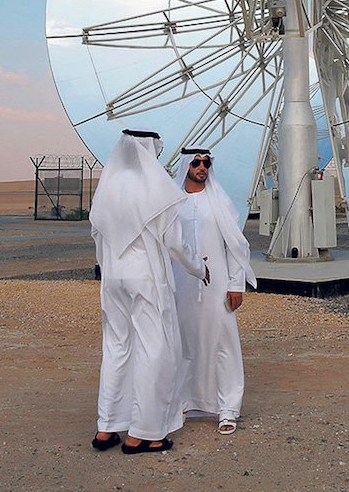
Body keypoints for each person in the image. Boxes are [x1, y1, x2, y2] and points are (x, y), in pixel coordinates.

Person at [90, 129, 210, 455]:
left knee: (117, 348)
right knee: (154, 349)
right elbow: (175, 243)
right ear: (150, 149)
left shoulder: (108, 187)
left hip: (112, 278)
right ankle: (144, 433)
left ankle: (107, 427)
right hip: (146, 279)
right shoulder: (156, 187)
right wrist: (199, 268)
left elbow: (97, 234)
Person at [171, 147, 257, 435]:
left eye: (206, 163)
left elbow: (234, 246)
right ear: (186, 166)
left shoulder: (219, 201)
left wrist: (236, 284)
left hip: (218, 284)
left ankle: (228, 408)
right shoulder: (173, 203)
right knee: (184, 342)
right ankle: (185, 402)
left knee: (223, 343)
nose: (202, 167)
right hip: (181, 285)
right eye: (196, 163)